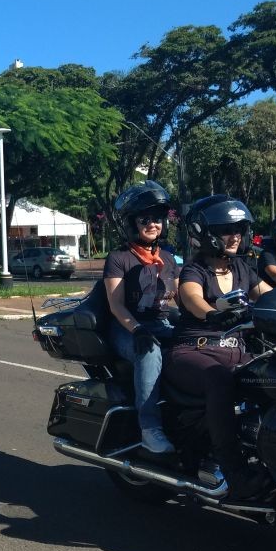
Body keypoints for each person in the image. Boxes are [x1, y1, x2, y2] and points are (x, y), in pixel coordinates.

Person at [163, 195, 274, 499]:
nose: (235, 235)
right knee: (219, 378)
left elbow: (270, 295)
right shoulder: (194, 271)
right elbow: (192, 298)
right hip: (193, 351)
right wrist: (213, 312)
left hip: (235, 350)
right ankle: (233, 468)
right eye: (227, 228)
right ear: (206, 233)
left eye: (239, 227)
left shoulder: (243, 269)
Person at [104, 181, 180, 454]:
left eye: (157, 218)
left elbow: (179, 298)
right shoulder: (119, 258)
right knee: (149, 353)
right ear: (131, 223)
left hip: (161, 323)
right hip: (127, 328)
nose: (152, 224)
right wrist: (137, 331)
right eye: (144, 219)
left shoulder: (169, 259)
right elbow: (116, 305)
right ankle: (149, 428)